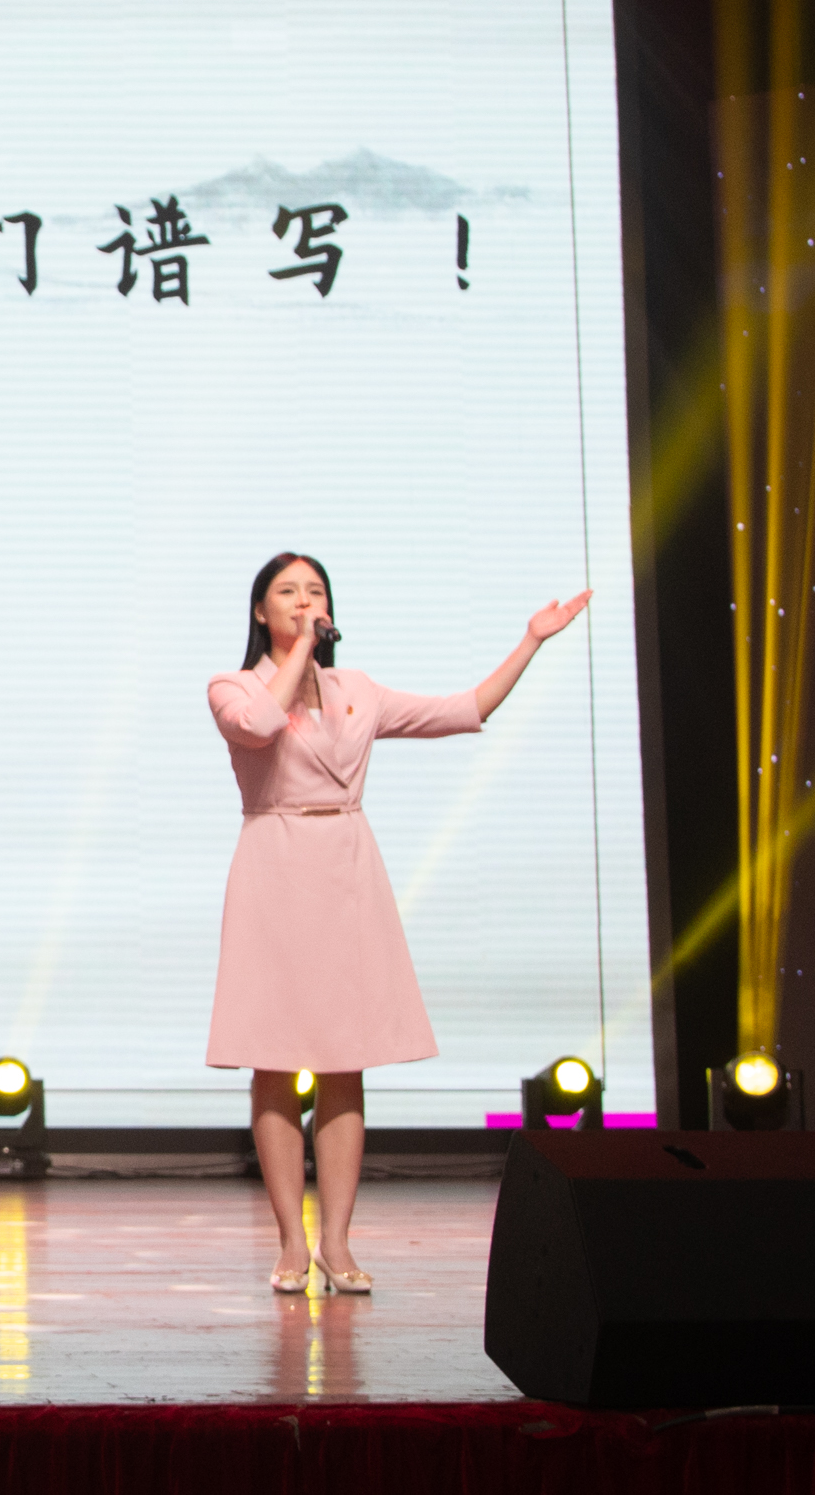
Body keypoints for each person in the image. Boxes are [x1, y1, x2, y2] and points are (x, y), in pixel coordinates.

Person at [206, 552, 591, 1295]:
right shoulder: (234, 685)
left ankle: (337, 1241)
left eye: (315, 591)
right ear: (260, 611)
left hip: (347, 868)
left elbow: (464, 709)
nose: (304, 601)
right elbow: (259, 725)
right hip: (274, 864)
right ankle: (290, 1242)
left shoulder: (358, 690)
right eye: (287, 592)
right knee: (273, 1062)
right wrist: (300, 652)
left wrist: (531, 641)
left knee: (345, 1061)